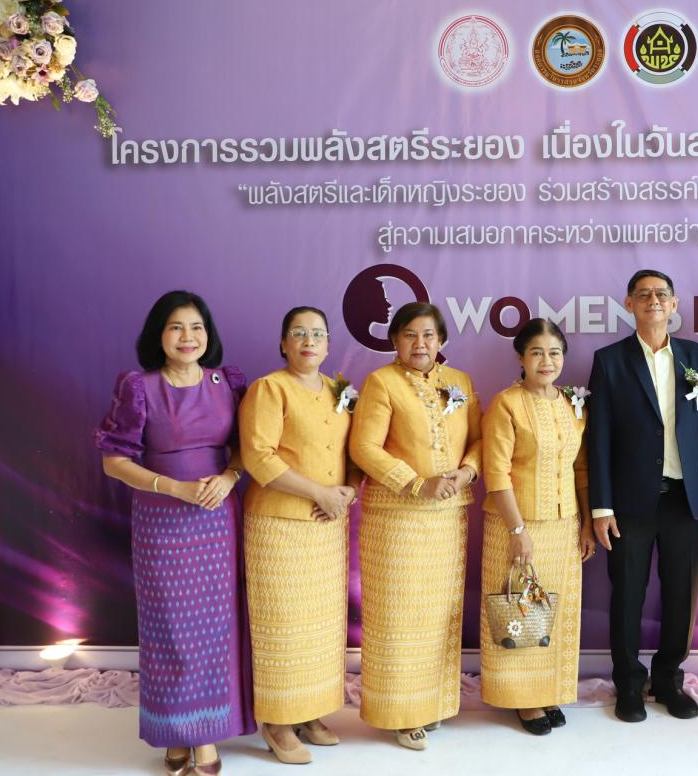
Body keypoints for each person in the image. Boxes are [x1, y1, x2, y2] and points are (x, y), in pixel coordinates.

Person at [94, 290, 255, 776]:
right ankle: (175, 731)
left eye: (197, 327)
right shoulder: (139, 387)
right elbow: (115, 461)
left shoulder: (227, 382)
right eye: (176, 327)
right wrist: (174, 488)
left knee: (215, 629)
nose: (188, 337)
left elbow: (245, 446)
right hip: (162, 522)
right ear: (158, 336)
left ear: (209, 334)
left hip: (217, 519)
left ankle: (202, 734)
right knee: (170, 630)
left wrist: (229, 476)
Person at [587, 269, 698, 723]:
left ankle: (668, 680)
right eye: (643, 295)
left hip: (685, 498)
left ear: (674, 303)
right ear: (629, 304)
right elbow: (599, 438)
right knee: (628, 594)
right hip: (629, 502)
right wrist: (601, 506)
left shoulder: (697, 357)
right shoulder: (610, 361)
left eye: (661, 294)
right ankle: (628, 684)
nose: (653, 301)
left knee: (682, 595)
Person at [349, 301, 481, 750]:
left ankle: (432, 703)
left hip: (447, 518)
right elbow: (364, 447)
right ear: (395, 340)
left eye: (428, 335)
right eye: (409, 334)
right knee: (399, 614)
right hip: (397, 518)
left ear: (441, 340)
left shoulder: (459, 382)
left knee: (437, 613)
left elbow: (479, 439)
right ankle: (402, 713)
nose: (420, 343)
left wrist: (468, 472)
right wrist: (415, 483)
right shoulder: (382, 382)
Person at [239, 307, 359, 764]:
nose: (309, 341)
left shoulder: (339, 389)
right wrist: (319, 492)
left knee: (321, 626)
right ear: (283, 343)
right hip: (279, 524)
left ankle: (309, 711)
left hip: (327, 525)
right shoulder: (269, 388)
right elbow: (258, 457)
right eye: (299, 333)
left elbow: (353, 450)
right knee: (284, 626)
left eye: (318, 334)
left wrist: (348, 491)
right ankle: (277, 721)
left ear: (328, 344)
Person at [479, 318, 596, 735]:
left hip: (563, 528)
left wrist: (585, 524)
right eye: (537, 353)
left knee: (553, 613)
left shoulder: (571, 404)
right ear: (521, 358)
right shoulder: (506, 404)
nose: (547, 361)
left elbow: (581, 469)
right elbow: (496, 473)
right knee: (520, 609)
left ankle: (547, 691)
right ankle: (522, 699)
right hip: (517, 525)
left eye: (555, 353)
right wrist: (517, 532)